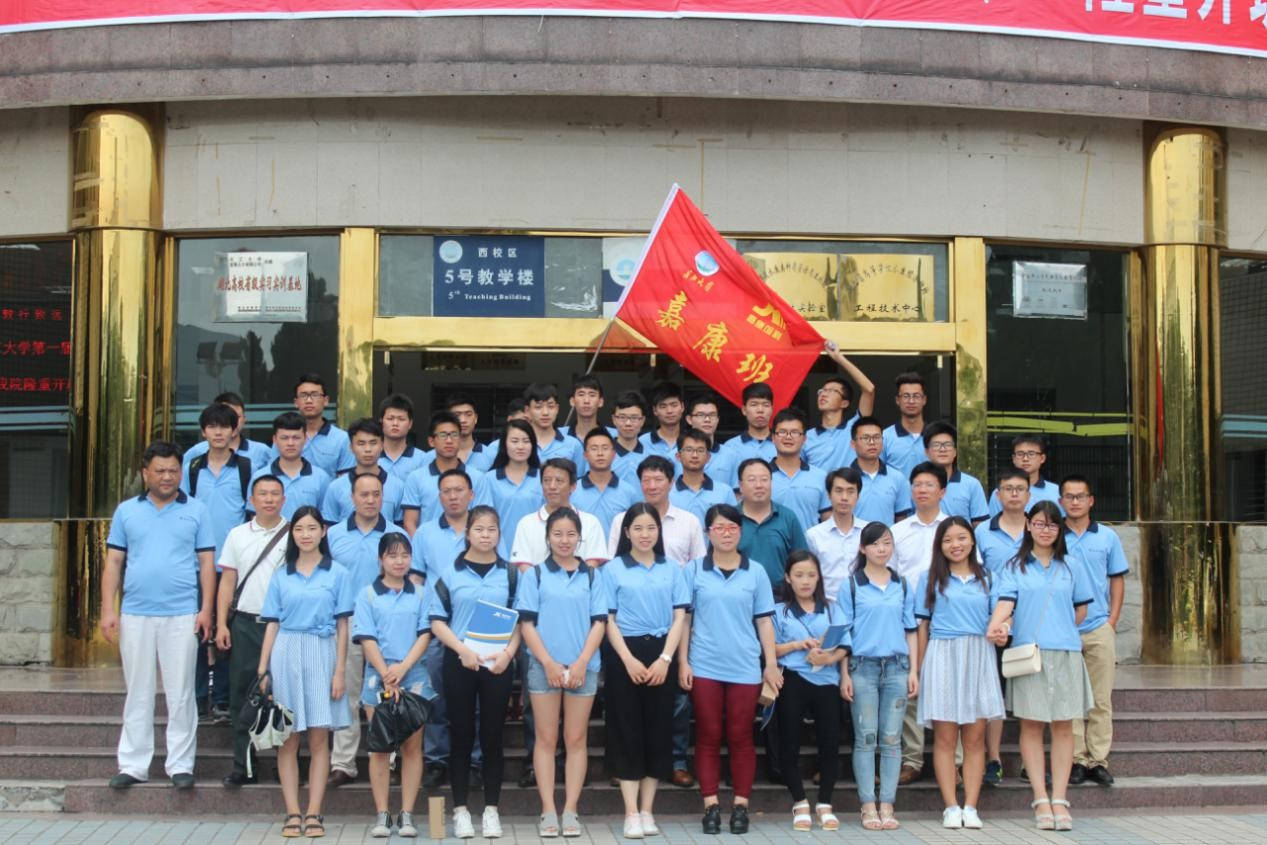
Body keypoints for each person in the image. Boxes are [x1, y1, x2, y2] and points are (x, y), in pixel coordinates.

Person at [100, 441, 215, 791]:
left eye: (173, 471)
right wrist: (108, 609)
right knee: (138, 690)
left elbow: (206, 563)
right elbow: (114, 562)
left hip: (182, 613)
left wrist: (206, 609)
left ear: (181, 473)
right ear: (145, 473)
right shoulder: (126, 511)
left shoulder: (196, 510)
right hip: (135, 612)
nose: (167, 477)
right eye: (160, 470)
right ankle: (133, 764)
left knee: (181, 692)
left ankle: (180, 764)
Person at [986, 501, 1095, 832]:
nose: (1045, 530)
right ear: (1028, 525)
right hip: (1028, 656)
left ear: (1060, 529)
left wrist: (1059, 628)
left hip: (1065, 653)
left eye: (1052, 525)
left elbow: (1081, 610)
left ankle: (1060, 799)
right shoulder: (1014, 566)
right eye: (1039, 523)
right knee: (1031, 726)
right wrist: (997, 624)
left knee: (1063, 726)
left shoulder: (1072, 565)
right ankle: (1040, 799)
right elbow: (1006, 603)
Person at [678, 503, 782, 835]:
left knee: (741, 737)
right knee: (708, 735)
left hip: (744, 667)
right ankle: (710, 806)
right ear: (708, 533)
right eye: (719, 527)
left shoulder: (756, 572)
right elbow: (684, 620)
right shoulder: (694, 570)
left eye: (732, 527)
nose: (726, 533)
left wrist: (770, 664)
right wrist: (682, 661)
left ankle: (740, 806)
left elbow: (764, 621)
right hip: (705, 665)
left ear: (741, 531)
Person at [256, 506, 355, 838]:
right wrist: (263, 668)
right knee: (288, 738)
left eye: (312, 528)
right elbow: (272, 622)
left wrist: (340, 671)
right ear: (292, 533)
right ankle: (292, 812)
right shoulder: (281, 574)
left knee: (318, 737)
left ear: (323, 531)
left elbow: (343, 625)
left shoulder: (338, 573)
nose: (306, 534)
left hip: (322, 652)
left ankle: (314, 812)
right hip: (286, 653)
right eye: (299, 529)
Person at [429, 506, 521, 839]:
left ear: (499, 533)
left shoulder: (510, 573)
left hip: (497, 664)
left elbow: (521, 620)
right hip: (460, 662)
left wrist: (508, 654)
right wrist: (462, 650)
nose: (485, 535)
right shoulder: (450, 573)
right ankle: (460, 810)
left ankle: (492, 810)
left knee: (493, 736)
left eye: (491, 529)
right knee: (462, 735)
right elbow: (437, 621)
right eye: (479, 529)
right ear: (468, 533)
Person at [515, 508, 608, 838]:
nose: (564, 540)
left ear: (580, 537)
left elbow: (600, 622)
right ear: (547, 538)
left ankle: (570, 809)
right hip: (544, 668)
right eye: (557, 534)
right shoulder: (535, 575)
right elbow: (527, 623)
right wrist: (549, 663)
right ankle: (548, 810)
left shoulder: (592, 576)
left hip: (584, 668)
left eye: (571, 534)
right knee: (545, 739)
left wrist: (581, 662)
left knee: (576, 739)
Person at [600, 504, 690, 839]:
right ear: (626, 533)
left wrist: (666, 659)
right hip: (625, 652)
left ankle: (648, 810)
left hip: (661, 653)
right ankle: (630, 812)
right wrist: (627, 659)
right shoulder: (613, 569)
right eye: (637, 528)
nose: (644, 534)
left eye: (650, 527)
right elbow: (608, 619)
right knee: (626, 730)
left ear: (659, 531)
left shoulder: (672, 568)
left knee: (657, 730)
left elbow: (680, 617)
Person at [914, 517, 1004, 830]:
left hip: (978, 655)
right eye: (948, 539)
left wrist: (1002, 630)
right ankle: (951, 806)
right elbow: (922, 626)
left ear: (972, 541)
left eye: (962, 538)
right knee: (945, 737)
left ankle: (972, 806)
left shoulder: (988, 577)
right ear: (939, 545)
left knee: (975, 737)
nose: (956, 545)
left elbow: (1000, 618)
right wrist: (920, 668)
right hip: (942, 654)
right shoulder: (929, 578)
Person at [327, 472, 408, 787]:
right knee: (345, 693)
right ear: (352, 498)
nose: (371, 500)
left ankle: (391, 760)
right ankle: (343, 763)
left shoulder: (396, 535)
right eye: (364, 494)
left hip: (386, 623)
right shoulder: (334, 534)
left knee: (387, 695)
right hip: (346, 621)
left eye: (376, 494)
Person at [352, 531, 434, 839]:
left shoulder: (421, 593)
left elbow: (425, 633)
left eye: (404, 555)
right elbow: (366, 637)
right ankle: (382, 813)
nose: (399, 561)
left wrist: (403, 668)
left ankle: (407, 813)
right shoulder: (367, 595)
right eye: (392, 555)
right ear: (381, 559)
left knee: (413, 746)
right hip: (379, 675)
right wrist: (388, 672)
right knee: (380, 747)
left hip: (414, 675)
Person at [839, 522, 918, 831]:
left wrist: (914, 670)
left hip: (897, 667)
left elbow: (910, 629)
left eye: (886, 543)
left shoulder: (902, 584)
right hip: (863, 668)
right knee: (866, 738)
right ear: (863, 548)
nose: (881, 549)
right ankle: (867, 805)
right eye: (874, 544)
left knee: (891, 738)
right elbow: (843, 634)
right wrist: (844, 674)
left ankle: (887, 803)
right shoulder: (851, 585)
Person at [215, 474, 289, 788]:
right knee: (242, 696)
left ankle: (287, 766)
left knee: (286, 697)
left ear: (284, 499)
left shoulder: (296, 533)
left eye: (275, 494)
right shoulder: (237, 534)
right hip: (245, 624)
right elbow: (227, 582)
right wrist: (222, 623)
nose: (269, 499)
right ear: (251, 500)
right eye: (263, 494)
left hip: (285, 627)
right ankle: (243, 765)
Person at [182, 403, 251, 724]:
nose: (219, 432)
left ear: (234, 430)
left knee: (227, 635)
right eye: (212, 426)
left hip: (233, 566)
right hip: (198, 565)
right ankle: (198, 699)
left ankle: (222, 699)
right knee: (197, 632)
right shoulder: (192, 467)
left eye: (224, 426)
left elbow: (250, 516)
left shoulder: (247, 468)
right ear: (203, 432)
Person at [772, 550, 848, 832]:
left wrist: (828, 658)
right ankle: (800, 801)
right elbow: (769, 649)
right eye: (799, 575)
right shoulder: (778, 611)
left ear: (819, 578)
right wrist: (797, 645)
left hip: (826, 681)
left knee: (830, 742)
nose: (806, 581)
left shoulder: (831, 608)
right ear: (788, 578)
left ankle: (825, 802)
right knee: (789, 741)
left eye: (811, 575)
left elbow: (845, 644)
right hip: (792, 678)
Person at [411, 468, 478, 789]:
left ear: (471, 494)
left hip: (475, 626)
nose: (453, 496)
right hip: (437, 626)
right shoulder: (425, 532)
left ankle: (475, 759)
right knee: (436, 696)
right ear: (439, 497)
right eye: (447, 491)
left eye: (459, 490)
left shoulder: (483, 527)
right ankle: (437, 759)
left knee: (476, 699)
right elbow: (416, 577)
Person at [1061, 475, 1129, 788]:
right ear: (1061, 500)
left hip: (1099, 627)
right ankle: (1077, 759)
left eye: (1080, 496)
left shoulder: (1107, 537)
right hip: (1065, 629)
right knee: (1071, 699)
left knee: (1101, 699)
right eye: (1069, 496)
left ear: (1091, 501)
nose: (1075, 502)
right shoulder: (1053, 536)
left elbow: (1117, 579)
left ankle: (1098, 760)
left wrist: (1111, 621)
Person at [890, 461, 949, 784]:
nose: (922, 490)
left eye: (929, 485)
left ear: (942, 491)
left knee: (948, 689)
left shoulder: (954, 530)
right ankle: (912, 759)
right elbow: (890, 576)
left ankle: (953, 762)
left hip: (947, 621)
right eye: (917, 485)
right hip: (908, 622)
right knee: (910, 688)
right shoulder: (898, 532)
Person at [973, 467, 1030, 784]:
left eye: (1020, 489)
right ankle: (992, 759)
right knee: (992, 695)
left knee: (1028, 696)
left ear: (1029, 495)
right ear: (997, 495)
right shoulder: (982, 533)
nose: (1014, 494)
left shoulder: (1039, 529)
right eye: (1008, 488)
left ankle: (1028, 761)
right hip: (993, 628)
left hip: (1030, 626)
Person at [607, 456, 706, 566]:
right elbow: (613, 562)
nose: (652, 486)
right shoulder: (621, 520)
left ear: (671, 483)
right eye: (646, 480)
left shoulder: (690, 521)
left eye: (658, 480)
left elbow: (698, 565)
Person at [510, 458, 608, 568]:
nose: (552, 486)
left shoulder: (590, 522)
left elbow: (592, 565)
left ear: (573, 486)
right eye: (547, 480)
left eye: (559, 481)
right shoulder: (526, 523)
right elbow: (523, 565)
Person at [402, 412, 487, 535]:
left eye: (454, 434)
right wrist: (422, 545)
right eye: (443, 435)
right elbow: (409, 523)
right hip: (428, 545)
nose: (449, 440)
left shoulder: (477, 478)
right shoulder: (416, 478)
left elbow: (483, 520)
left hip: (467, 545)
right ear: (431, 441)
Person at [735, 458, 806, 591]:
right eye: (751, 480)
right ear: (741, 485)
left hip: (781, 597)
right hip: (740, 595)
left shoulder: (787, 517)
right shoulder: (730, 519)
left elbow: (802, 561)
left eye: (764, 479)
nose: (759, 485)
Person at [804, 341, 876, 472]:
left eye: (832, 391)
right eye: (822, 391)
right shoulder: (806, 437)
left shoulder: (855, 428)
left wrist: (838, 357)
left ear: (844, 403)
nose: (824, 394)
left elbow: (869, 389)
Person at [321, 418, 406, 525]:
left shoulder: (398, 486)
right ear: (351, 447)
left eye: (373, 443)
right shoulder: (335, 487)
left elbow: (400, 528)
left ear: (382, 445)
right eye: (361, 443)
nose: (367, 449)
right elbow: (330, 530)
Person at [250, 412, 333, 520]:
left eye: (296, 438)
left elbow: (325, 519)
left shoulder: (321, 478)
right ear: (275, 439)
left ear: (305, 439)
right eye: (284, 438)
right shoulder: (259, 476)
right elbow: (253, 517)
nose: (290, 443)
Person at [483, 419, 545, 559]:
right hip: (499, 554)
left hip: (536, 553)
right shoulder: (489, 479)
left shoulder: (543, 477)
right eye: (515, 441)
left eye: (526, 441)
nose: (520, 446)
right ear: (504, 444)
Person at [805, 468, 870, 603]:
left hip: (863, 605)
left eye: (850, 491)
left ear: (858, 496)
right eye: (838, 491)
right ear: (829, 495)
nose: (844, 497)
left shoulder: (868, 531)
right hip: (827, 607)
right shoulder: (814, 535)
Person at [768, 408, 830, 533]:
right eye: (782, 432)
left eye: (795, 432)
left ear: (804, 439)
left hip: (809, 545)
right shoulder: (761, 476)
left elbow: (827, 521)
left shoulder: (820, 476)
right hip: (771, 544)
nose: (788, 437)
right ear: (773, 437)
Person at [570, 428, 640, 537]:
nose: (600, 453)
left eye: (605, 448)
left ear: (614, 454)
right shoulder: (572, 491)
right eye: (594, 449)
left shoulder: (629, 492)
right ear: (585, 455)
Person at [282, 372, 354, 477]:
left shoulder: (342, 439)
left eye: (315, 395)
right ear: (296, 402)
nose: (309, 400)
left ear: (326, 400)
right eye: (303, 395)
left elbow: (345, 481)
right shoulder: (284, 437)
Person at [181, 391, 273, 473]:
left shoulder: (262, 451)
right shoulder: (197, 451)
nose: (232, 421)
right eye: (224, 417)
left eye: (236, 417)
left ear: (244, 419)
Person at [849, 415, 914, 524]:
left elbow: (901, 521)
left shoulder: (897, 478)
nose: (872, 442)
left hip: (887, 535)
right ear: (853, 444)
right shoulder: (844, 478)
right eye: (865, 438)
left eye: (877, 437)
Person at [922, 422, 989, 524]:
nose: (942, 449)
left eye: (948, 445)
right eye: (936, 445)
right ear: (927, 452)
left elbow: (980, 525)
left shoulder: (972, 485)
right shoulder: (917, 485)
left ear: (955, 452)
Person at [668, 427, 737, 527]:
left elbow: (734, 527)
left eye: (700, 450)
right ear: (678, 456)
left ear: (708, 457)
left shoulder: (725, 492)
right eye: (689, 450)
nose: (695, 455)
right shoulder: (667, 492)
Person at [988, 434, 1063, 517]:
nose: (1025, 459)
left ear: (1042, 458)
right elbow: (994, 524)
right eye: (1020, 454)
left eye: (1031, 454)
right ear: (1013, 459)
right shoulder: (1000, 492)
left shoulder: (1057, 492)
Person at [721, 383, 776, 484]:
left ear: (772, 409)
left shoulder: (782, 444)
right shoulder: (730, 447)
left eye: (766, 405)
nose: (760, 410)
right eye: (754, 405)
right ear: (744, 410)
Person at [680, 393, 736, 489]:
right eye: (701, 415)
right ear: (689, 419)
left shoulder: (732, 456)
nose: (707, 419)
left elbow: (737, 493)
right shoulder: (676, 456)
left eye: (712, 415)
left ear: (718, 419)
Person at [525, 383, 585, 467]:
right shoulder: (518, 444)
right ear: (527, 411)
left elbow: (580, 475)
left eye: (550, 406)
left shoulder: (573, 445)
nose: (545, 413)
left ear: (557, 409)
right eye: (538, 407)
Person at [881, 372, 930, 478]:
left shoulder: (935, 436)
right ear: (897, 400)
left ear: (924, 400)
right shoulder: (885, 437)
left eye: (916, 396)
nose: (911, 401)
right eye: (906, 396)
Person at [378, 393, 428, 482]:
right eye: (390, 418)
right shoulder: (370, 456)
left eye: (401, 419)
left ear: (410, 424)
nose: (395, 423)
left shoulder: (423, 459)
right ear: (381, 421)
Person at [443, 394, 496, 473]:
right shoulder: (433, 456)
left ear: (476, 418)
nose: (463, 420)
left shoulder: (491, 455)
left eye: (468, 414)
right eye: (457, 415)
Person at [610, 391, 649, 485]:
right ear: (614, 419)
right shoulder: (602, 455)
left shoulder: (651, 455)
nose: (628, 423)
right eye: (622, 417)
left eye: (634, 418)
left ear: (642, 420)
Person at [639, 381, 684, 461]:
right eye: (663, 406)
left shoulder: (692, 440)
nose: (669, 411)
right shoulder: (643, 442)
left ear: (682, 407)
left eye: (674, 405)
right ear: (655, 410)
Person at [561, 374, 613, 442]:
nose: (586, 401)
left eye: (592, 395)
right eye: (581, 395)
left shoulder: (614, 436)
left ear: (601, 402)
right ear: (572, 401)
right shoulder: (559, 435)